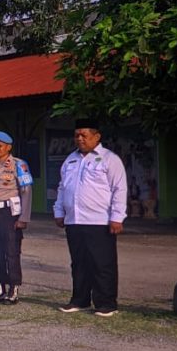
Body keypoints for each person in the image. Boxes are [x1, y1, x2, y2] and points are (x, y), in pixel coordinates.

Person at [54, 119, 127, 317]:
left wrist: (117, 217)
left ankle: (106, 303)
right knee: (78, 263)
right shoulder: (70, 159)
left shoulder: (109, 159)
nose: (79, 139)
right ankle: (80, 299)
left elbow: (119, 189)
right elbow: (62, 187)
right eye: (77, 135)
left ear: (96, 136)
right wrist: (59, 211)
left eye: (84, 135)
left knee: (102, 263)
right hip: (74, 220)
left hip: (99, 220)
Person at [0, 130, 33, 304]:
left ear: (8, 147)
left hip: (9, 214)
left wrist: (23, 217)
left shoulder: (18, 165)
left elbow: (26, 192)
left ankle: (13, 288)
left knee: (12, 252)